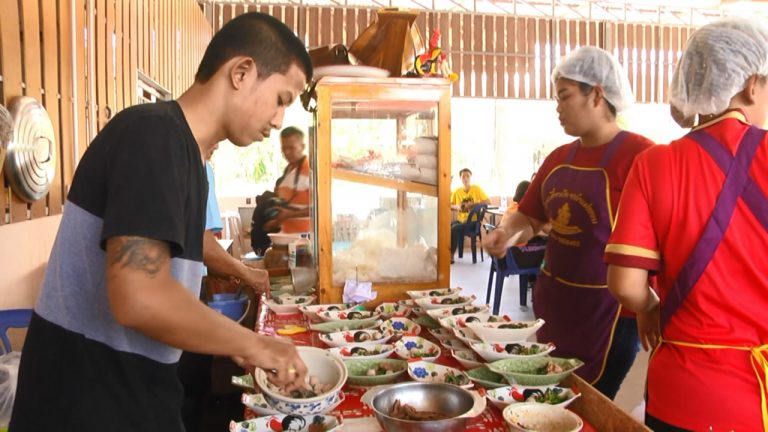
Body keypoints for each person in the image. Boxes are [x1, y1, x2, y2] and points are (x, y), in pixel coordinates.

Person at [10, 12, 312, 431]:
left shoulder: (186, 156)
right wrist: (255, 345)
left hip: (126, 396)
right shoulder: (154, 137)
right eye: (282, 99)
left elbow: (164, 290)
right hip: (88, 406)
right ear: (242, 72)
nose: (280, 120)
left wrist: (233, 343)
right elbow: (140, 295)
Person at [605, 17, 768, 431]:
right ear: (752, 84)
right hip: (756, 397)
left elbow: (625, 286)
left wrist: (650, 307)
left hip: (678, 392)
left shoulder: (654, 163)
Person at [484, 46, 655, 399]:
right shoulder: (559, 159)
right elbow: (530, 217)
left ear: (597, 93)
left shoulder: (642, 157)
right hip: (556, 305)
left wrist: (651, 304)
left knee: (587, 402)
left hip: (609, 315)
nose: (558, 108)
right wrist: (506, 232)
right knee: (548, 398)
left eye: (564, 97)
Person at [179, 144, 271, 432]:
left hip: (185, 303)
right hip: (178, 309)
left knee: (194, 388)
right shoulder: (198, 166)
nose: (274, 120)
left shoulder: (188, 161)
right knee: (187, 392)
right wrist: (246, 273)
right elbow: (204, 244)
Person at [264, 126, 311, 234]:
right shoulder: (288, 171)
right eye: (284, 148)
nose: (287, 152)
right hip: (286, 235)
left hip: (305, 240)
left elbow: (319, 209)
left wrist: (290, 214)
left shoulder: (311, 171)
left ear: (302, 147)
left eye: (291, 148)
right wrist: (276, 221)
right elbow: (287, 208)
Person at [450, 168, 490, 263]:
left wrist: (472, 205)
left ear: (471, 177)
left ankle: (450, 256)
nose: (465, 178)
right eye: (463, 176)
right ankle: (446, 253)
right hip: (461, 220)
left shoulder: (477, 189)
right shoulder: (457, 191)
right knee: (449, 226)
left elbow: (488, 201)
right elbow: (450, 205)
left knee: (455, 228)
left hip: (473, 222)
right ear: (460, 178)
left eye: (467, 176)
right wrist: (457, 207)